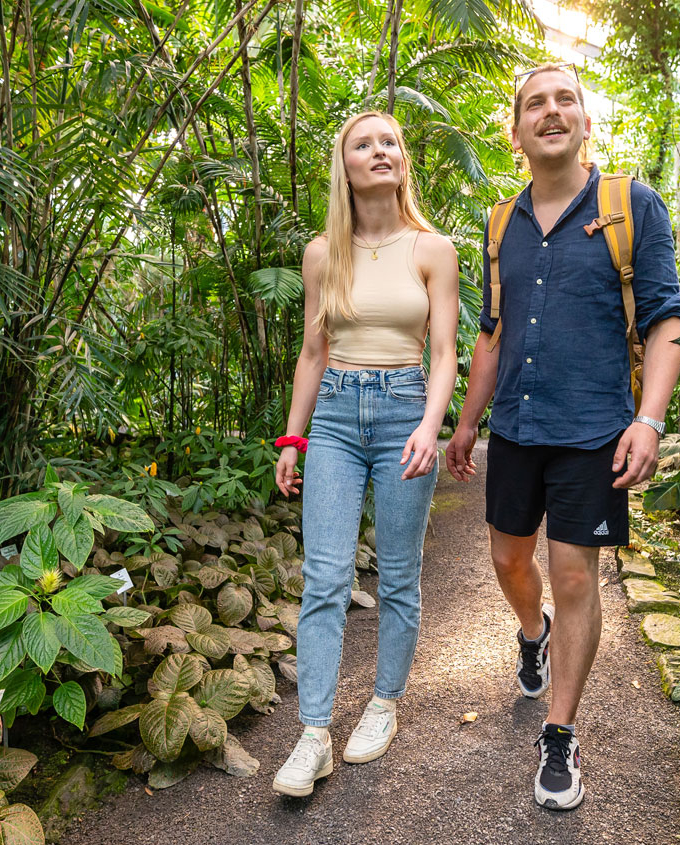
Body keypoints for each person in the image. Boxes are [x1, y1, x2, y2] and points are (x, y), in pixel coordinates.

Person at [443, 64, 680, 811]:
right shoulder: (497, 223)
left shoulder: (630, 205)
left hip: (594, 430)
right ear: (515, 132)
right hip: (515, 426)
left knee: (577, 573)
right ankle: (532, 629)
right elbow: (491, 333)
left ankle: (560, 732)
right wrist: (465, 420)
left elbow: (665, 319)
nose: (551, 111)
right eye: (534, 104)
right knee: (507, 558)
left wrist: (649, 419)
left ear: (585, 120)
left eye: (565, 99)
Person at [269, 110, 461, 798]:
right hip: (337, 419)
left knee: (400, 573)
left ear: (401, 162)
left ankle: (383, 703)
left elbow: (444, 353)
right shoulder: (324, 252)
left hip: (407, 409)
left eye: (390, 143)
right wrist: (294, 437)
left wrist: (430, 424)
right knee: (323, 575)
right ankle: (313, 733)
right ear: (345, 164)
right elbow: (313, 351)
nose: (380, 151)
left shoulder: (433, 249)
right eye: (363, 143)